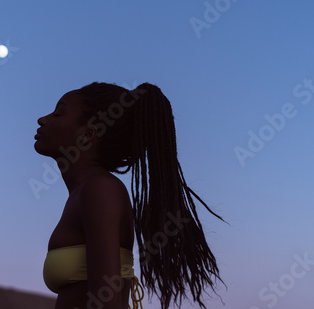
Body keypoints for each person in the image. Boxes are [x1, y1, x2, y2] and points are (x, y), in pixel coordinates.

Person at [34, 82, 227, 309]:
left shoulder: (99, 190)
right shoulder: (86, 192)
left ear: (87, 134)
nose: (43, 119)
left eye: (58, 113)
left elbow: (108, 302)